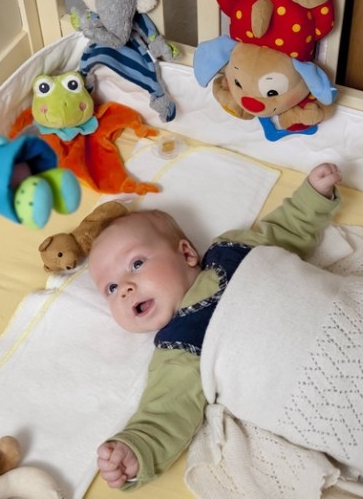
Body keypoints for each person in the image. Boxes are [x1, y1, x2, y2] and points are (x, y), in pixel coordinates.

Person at [88, 163, 342, 489]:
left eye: (136, 264)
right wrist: (135, 448)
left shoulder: (230, 250)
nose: (124, 287)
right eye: (110, 288)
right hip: (311, 381)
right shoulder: (177, 346)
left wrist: (312, 195)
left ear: (186, 253)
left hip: (334, 313)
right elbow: (166, 411)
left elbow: (284, 232)